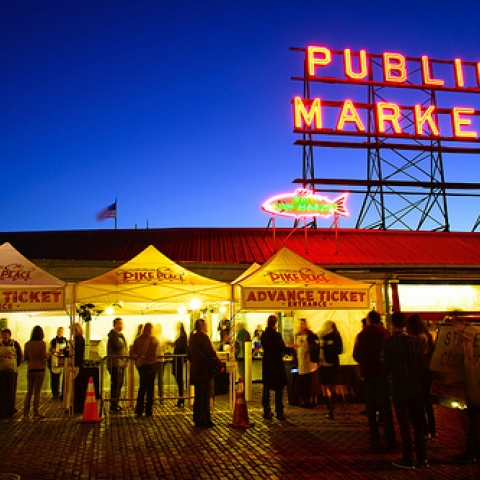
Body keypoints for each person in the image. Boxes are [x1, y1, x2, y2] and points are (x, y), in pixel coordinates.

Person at [384, 311, 428, 470]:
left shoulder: (389, 343)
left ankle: (408, 458)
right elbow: (421, 363)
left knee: (404, 424)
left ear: (391, 324)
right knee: (418, 424)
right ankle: (422, 458)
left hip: (399, 386)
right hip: (415, 386)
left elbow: (387, 367)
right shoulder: (416, 342)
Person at [353, 310, 396, 448]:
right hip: (382, 373)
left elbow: (356, 354)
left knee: (370, 406)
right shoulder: (385, 333)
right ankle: (390, 436)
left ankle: (374, 436)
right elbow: (389, 353)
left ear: (370, 320)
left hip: (367, 373)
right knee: (385, 405)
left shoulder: (362, 334)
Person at [188, 318, 224, 428]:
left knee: (199, 396)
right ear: (202, 327)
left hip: (196, 370)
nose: (207, 327)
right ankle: (205, 419)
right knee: (205, 396)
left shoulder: (192, 338)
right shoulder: (203, 338)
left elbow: (189, 355)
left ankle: (198, 418)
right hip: (204, 371)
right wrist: (220, 364)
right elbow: (210, 353)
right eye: (206, 325)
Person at [406, 314, 437, 439]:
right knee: (428, 402)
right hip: (428, 371)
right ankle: (432, 429)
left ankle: (424, 430)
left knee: (419, 402)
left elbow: (417, 355)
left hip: (419, 372)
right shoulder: (428, 336)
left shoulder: (417, 339)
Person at [261, 315, 288, 420]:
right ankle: (279, 411)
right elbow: (281, 348)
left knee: (266, 388)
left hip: (267, 364)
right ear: (275, 323)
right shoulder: (277, 335)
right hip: (276, 364)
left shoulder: (264, 335)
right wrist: (291, 349)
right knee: (279, 388)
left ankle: (266, 410)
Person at [130, 322, 159, 418]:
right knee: (150, 388)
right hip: (151, 364)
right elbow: (155, 352)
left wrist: (138, 358)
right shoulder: (153, 339)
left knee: (142, 387)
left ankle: (139, 409)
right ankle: (148, 410)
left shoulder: (139, 339)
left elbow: (132, 351)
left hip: (143, 365)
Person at [23, 325, 49, 420]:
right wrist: (48, 355)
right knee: (37, 392)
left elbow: (25, 357)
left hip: (30, 369)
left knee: (29, 392)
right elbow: (43, 356)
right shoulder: (42, 344)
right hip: (40, 369)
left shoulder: (27, 344)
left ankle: (26, 413)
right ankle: (36, 412)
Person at [319, 321, 343, 420]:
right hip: (333, 364)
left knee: (325, 387)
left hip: (323, 364)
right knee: (332, 385)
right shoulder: (337, 336)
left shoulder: (321, 335)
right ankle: (333, 405)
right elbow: (340, 350)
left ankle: (330, 408)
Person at [295, 318, 319, 408]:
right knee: (302, 382)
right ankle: (304, 400)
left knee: (309, 382)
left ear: (305, 324)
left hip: (309, 362)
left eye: (302, 324)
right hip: (301, 362)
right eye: (299, 324)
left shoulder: (310, 334)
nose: (300, 326)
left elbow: (313, 348)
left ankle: (311, 400)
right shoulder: (297, 335)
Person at [107, 317, 128, 412]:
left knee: (119, 384)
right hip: (115, 363)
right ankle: (114, 403)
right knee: (116, 384)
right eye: (119, 323)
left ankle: (116, 402)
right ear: (115, 325)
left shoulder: (119, 335)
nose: (121, 325)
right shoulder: (114, 336)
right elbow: (117, 346)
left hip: (121, 363)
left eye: (122, 323)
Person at [0, 328, 23, 413]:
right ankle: (2, 407)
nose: (5, 336)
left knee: (11, 390)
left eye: (6, 334)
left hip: (12, 370)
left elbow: (20, 355)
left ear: (10, 335)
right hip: (1, 370)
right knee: (2, 390)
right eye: (3, 334)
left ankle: (11, 406)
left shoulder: (15, 344)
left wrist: (17, 365)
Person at [71, 322, 86, 414]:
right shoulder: (79, 339)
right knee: (77, 385)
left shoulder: (79, 340)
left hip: (77, 364)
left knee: (77, 386)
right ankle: (77, 405)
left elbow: (78, 352)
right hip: (78, 363)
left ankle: (79, 405)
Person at [49, 327, 67, 399]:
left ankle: (62, 393)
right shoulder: (53, 340)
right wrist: (55, 351)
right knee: (54, 377)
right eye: (59, 331)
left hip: (62, 359)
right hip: (55, 360)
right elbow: (52, 349)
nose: (60, 332)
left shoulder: (65, 340)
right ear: (57, 331)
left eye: (61, 331)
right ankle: (55, 393)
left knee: (63, 377)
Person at [172, 322, 188, 407]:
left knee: (179, 378)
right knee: (178, 377)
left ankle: (181, 397)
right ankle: (181, 397)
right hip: (177, 359)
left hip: (178, 359)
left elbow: (182, 348)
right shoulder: (181, 336)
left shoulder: (183, 336)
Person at [154, 323, 169, 399]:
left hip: (155, 360)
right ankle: (161, 395)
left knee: (154, 379)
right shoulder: (161, 338)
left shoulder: (154, 337)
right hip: (160, 360)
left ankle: (155, 395)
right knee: (160, 379)